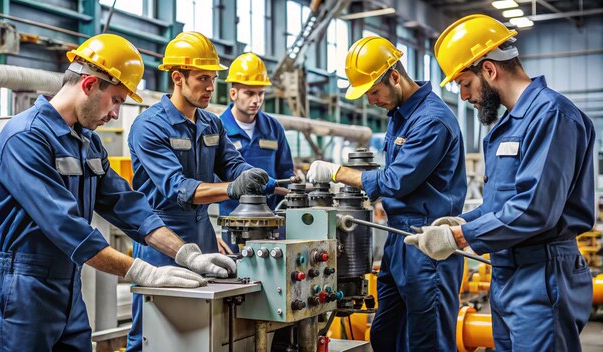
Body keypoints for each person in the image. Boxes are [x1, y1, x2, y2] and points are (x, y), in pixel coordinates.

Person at [0, 34, 235, 351]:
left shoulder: (87, 143)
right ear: (88, 85)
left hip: (68, 288)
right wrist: (142, 272)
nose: (116, 113)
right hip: (22, 288)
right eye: (116, 100)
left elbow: (126, 205)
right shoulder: (25, 139)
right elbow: (67, 227)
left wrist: (187, 255)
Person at [405, 14, 594, 351]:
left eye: (465, 83)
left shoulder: (551, 115)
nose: (463, 96)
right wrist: (462, 221)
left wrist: (459, 237)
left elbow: (536, 211)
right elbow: (500, 206)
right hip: (507, 273)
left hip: (543, 275)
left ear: (489, 70)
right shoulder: (505, 128)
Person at [306, 36, 467, 351]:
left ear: (395, 77)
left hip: (429, 240)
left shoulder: (431, 120)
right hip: (398, 237)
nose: (371, 102)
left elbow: (395, 181)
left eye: (373, 92)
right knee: (385, 333)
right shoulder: (400, 116)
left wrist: (338, 172)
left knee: (427, 338)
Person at [126, 32, 271, 352]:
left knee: (208, 325)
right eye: (202, 78)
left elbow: (232, 164)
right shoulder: (149, 126)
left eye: (213, 78)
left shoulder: (211, 124)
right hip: (160, 236)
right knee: (152, 326)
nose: (210, 86)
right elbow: (176, 187)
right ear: (177, 77)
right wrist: (233, 189)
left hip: (203, 231)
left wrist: (256, 177)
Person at [218, 52, 294, 252]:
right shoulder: (218, 128)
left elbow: (286, 173)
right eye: (249, 93)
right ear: (233, 94)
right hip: (234, 226)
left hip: (273, 224)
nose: (256, 100)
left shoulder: (273, 128)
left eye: (260, 93)